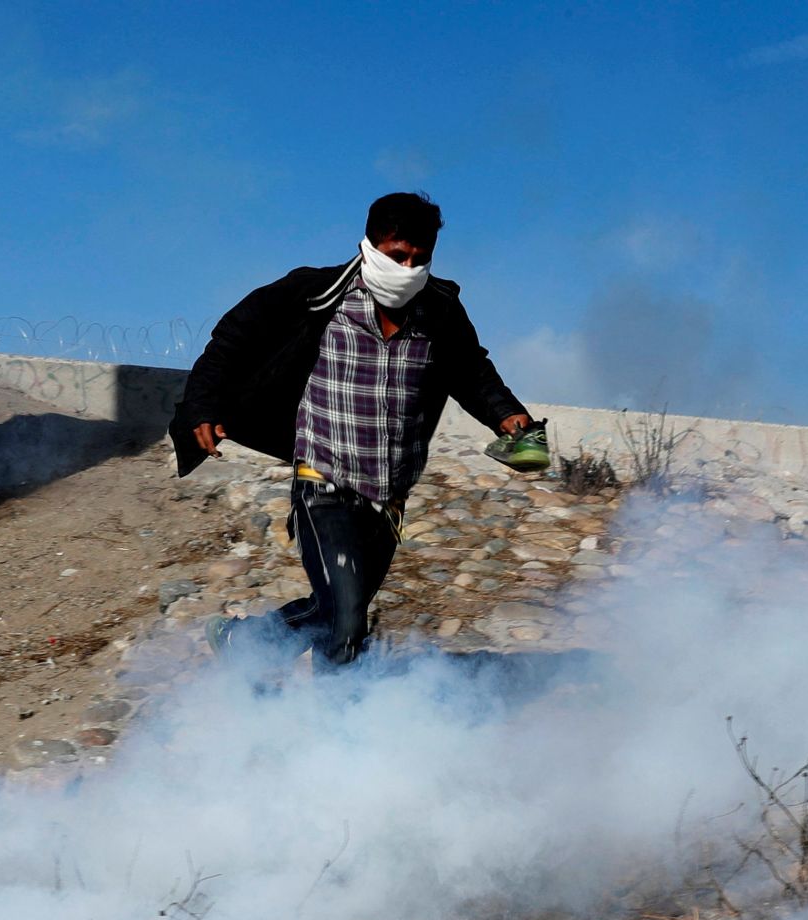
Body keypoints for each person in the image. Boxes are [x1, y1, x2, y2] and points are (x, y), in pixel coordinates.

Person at [168, 192, 545, 667]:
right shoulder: (316, 294)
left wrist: (509, 417)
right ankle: (335, 727)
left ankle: (249, 646)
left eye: (419, 259)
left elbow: (471, 371)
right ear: (370, 246)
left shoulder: (440, 312)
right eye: (397, 256)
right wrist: (201, 406)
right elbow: (231, 342)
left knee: (337, 613)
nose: (408, 269)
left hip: (388, 498)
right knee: (347, 624)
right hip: (323, 481)